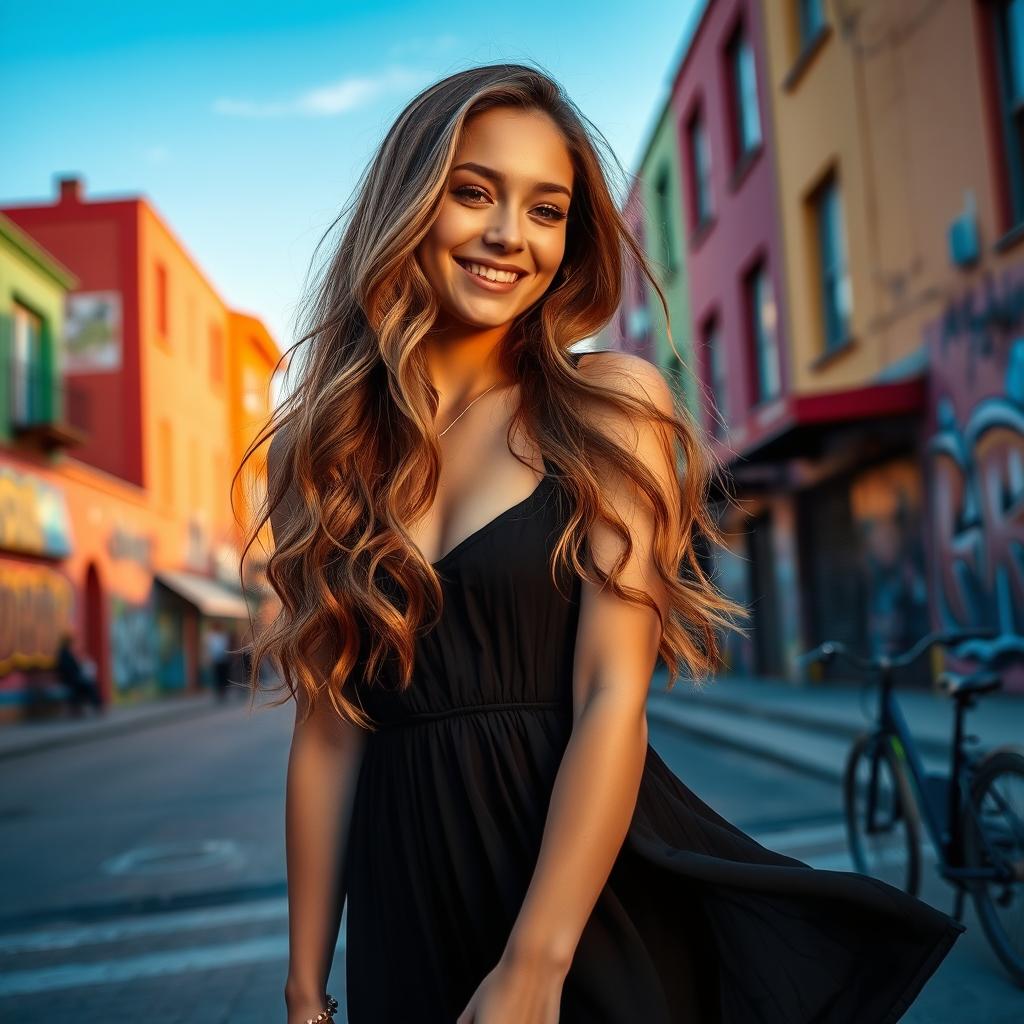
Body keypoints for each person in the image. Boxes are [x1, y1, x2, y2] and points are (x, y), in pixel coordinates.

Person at [242, 64, 965, 1024]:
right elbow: (329, 731)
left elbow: (610, 695)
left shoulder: (610, 408)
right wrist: (304, 990)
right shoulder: (325, 446)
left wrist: (535, 966)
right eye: (473, 193)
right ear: (409, 207)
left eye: (547, 209)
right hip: (404, 897)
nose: (510, 235)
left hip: (578, 898)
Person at [54, 630, 104, 717]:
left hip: (73, 678)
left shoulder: (67, 653)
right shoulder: (64, 654)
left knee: (90, 683)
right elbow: (68, 669)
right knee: (88, 685)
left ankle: (96, 704)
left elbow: (74, 667)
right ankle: (96, 705)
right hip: (69, 679)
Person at [204, 622, 232, 702]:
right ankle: (219, 692)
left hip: (223, 659)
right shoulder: (210, 636)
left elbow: (226, 646)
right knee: (217, 677)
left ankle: (223, 692)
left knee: (223, 676)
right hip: (216, 660)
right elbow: (209, 648)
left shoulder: (223, 636)